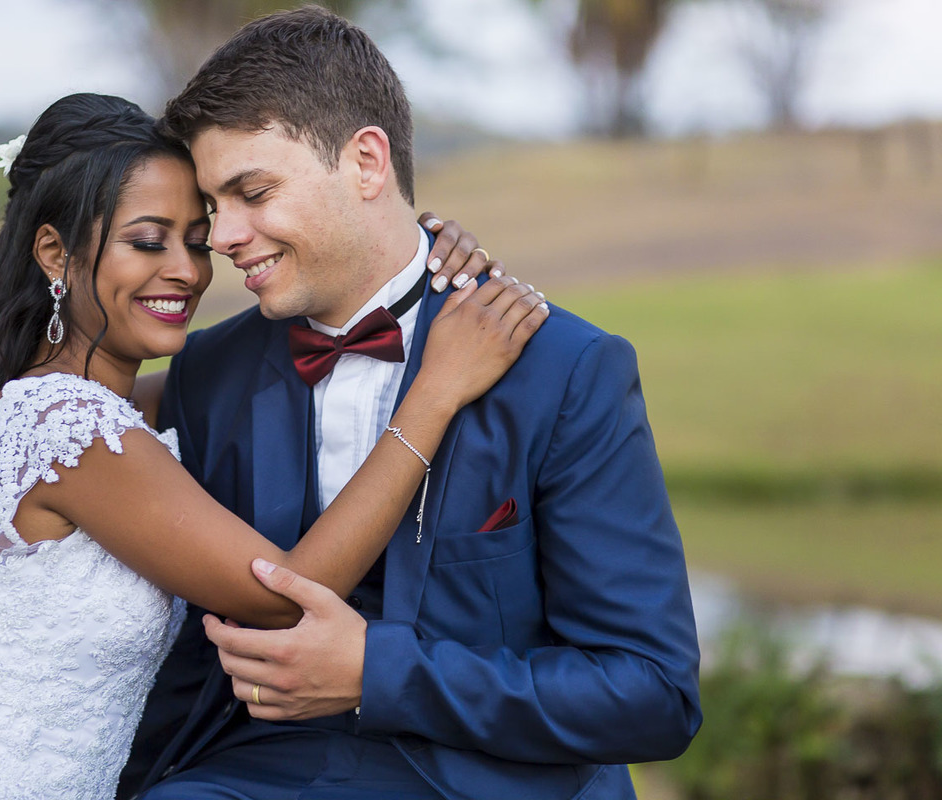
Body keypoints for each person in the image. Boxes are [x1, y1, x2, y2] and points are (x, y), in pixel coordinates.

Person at [0, 92, 546, 800]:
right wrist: (435, 394)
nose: (187, 270)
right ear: (54, 252)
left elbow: (247, 363)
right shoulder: (68, 428)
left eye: (197, 241)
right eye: (148, 241)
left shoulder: (94, 411)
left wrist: (404, 252)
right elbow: (286, 593)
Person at [123, 7, 702, 800]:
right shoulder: (208, 373)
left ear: (366, 163)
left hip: (496, 782)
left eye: (251, 192)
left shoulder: (565, 370)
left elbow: (652, 692)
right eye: (213, 205)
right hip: (254, 774)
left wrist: (375, 673)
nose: (221, 236)